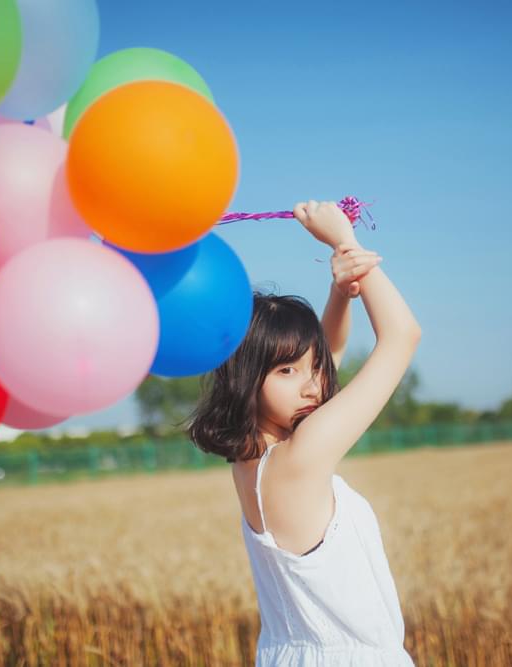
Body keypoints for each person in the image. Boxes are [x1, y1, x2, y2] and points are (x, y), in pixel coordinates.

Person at [188, 200, 421, 665]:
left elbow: (325, 361)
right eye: (287, 370)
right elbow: (402, 336)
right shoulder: (301, 457)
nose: (312, 385)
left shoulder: (255, 460)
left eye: (312, 367)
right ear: (246, 377)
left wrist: (341, 292)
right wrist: (345, 242)